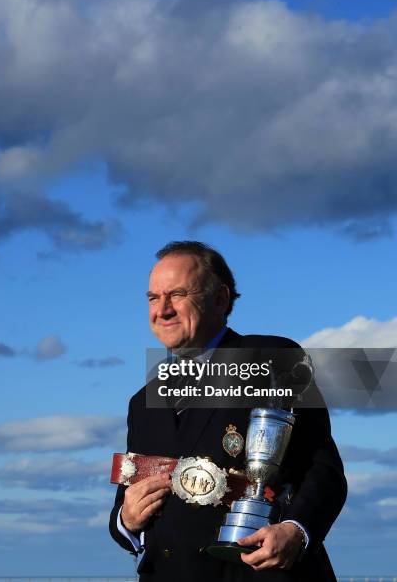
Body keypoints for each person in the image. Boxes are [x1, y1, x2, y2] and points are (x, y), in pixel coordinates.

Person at [109, 241, 347, 582]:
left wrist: (297, 531)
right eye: (152, 298)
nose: (162, 310)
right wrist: (126, 521)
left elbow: (323, 470)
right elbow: (124, 507)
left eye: (177, 294)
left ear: (220, 299)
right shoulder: (143, 402)